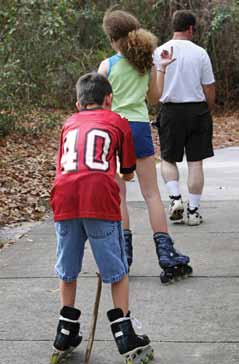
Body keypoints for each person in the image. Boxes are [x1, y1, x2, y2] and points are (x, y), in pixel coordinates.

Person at [49, 72, 154, 363]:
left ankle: (65, 332)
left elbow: (64, 163)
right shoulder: (117, 121)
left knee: (67, 269)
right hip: (100, 200)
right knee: (116, 271)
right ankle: (125, 335)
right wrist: (126, 173)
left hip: (64, 199)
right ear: (109, 100)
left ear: (78, 103)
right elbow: (128, 167)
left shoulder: (68, 122)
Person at [98, 8, 192, 283]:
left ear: (112, 38)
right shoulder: (145, 63)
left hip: (113, 129)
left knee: (120, 196)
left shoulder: (107, 66)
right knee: (151, 194)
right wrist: (160, 69)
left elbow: (102, 103)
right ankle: (166, 254)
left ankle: (122, 256)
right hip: (139, 128)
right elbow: (154, 98)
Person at [153, 10, 216, 226]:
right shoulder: (200, 53)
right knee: (195, 163)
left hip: (170, 110)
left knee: (168, 158)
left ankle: (175, 199)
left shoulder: (160, 51)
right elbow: (209, 87)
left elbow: (155, 89)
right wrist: (207, 109)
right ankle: (193, 211)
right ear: (190, 28)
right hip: (197, 110)